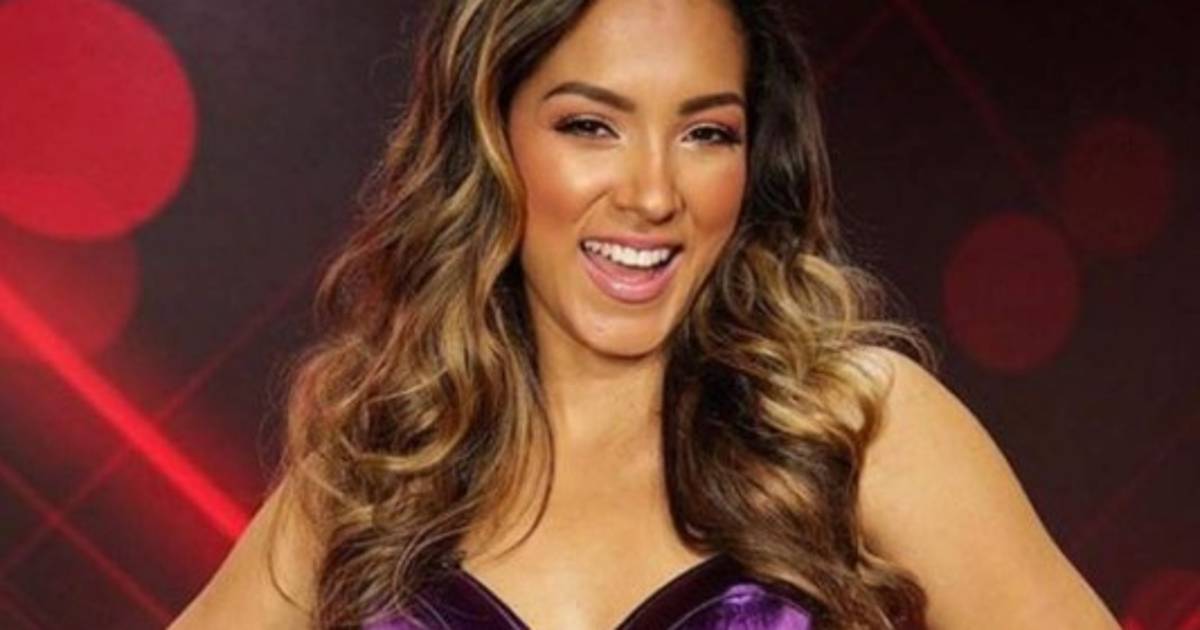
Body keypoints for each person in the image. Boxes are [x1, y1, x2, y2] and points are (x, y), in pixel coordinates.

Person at [170, 0, 1120, 628]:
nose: (655, 193)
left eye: (706, 133)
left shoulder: (856, 427)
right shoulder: (384, 460)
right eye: (591, 125)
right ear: (492, 140)